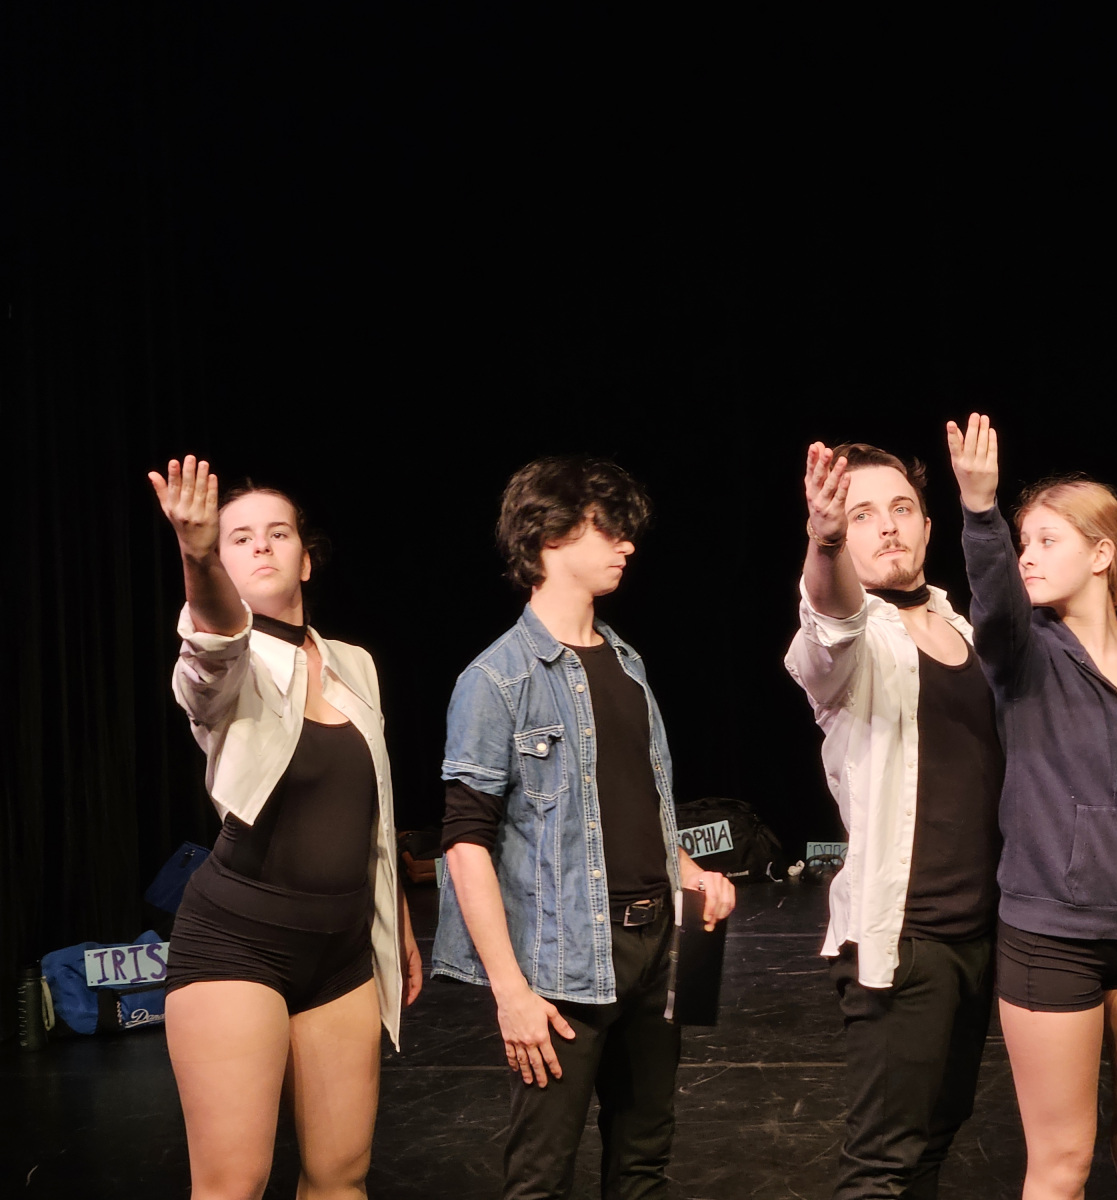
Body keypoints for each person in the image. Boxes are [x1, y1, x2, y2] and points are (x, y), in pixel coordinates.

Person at [431, 455, 736, 1200]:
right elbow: (465, 843)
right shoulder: (496, 679)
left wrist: (691, 873)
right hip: (562, 964)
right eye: (608, 528)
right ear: (549, 536)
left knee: (643, 1165)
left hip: (655, 948)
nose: (627, 545)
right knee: (541, 1178)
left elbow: (636, 805)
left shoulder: (627, 663)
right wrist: (510, 991)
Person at [946, 414, 1117, 1200]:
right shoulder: (1024, 654)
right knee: (1064, 1160)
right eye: (1022, 542)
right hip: (1054, 939)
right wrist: (981, 512)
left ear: (1101, 555)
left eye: (1046, 541)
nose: (1027, 556)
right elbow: (994, 600)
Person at [150, 455, 423, 1200]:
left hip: (341, 951)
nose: (262, 546)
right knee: (234, 1184)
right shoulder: (229, 665)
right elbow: (213, 645)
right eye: (238, 539)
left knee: (341, 1178)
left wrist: (394, 916)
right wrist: (196, 556)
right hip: (238, 941)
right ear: (221, 564)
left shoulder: (355, 665)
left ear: (306, 557)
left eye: (278, 533)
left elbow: (371, 808)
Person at [784, 440, 1005, 1199]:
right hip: (903, 938)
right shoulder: (853, 641)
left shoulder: (965, 630)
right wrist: (824, 543)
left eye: (901, 509)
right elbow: (830, 617)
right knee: (882, 1164)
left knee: (937, 1139)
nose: (887, 526)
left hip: (979, 935)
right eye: (862, 515)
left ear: (928, 526)